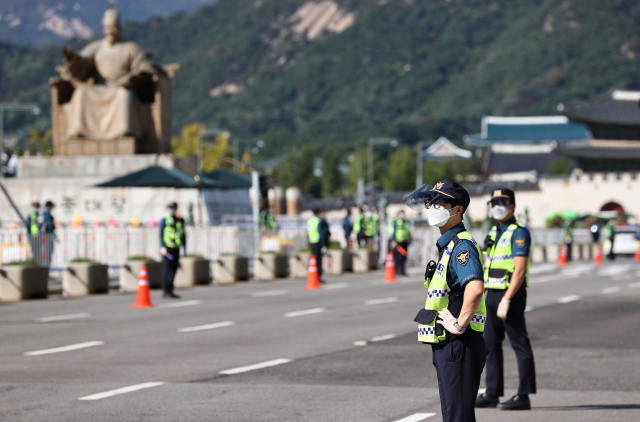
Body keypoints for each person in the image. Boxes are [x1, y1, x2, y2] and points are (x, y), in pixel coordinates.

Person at [407, 180, 486, 422]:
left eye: (441, 201)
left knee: (457, 416)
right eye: (432, 201)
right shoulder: (449, 245)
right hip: (449, 343)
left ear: (458, 209)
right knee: (456, 414)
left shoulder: (462, 246)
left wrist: (460, 324)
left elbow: (475, 288)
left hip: (458, 342)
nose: (433, 206)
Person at [476, 188, 536, 411]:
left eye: (502, 202)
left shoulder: (518, 233)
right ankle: (492, 392)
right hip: (491, 293)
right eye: (493, 202)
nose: (497, 206)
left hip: (509, 294)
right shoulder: (494, 232)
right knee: (490, 346)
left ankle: (524, 395)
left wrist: (507, 299)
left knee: (519, 344)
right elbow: (487, 263)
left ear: (512, 206)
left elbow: (520, 271)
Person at [159, 202, 185, 299]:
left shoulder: (179, 220)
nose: (171, 209)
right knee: (167, 269)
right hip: (167, 249)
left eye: (173, 207)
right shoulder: (165, 220)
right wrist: (162, 246)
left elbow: (182, 234)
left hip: (176, 249)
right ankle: (166, 291)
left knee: (174, 269)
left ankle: (170, 290)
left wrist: (184, 248)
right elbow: (161, 233)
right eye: (169, 207)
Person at [307, 208, 325, 283]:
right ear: (318, 213)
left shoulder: (309, 221)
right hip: (317, 242)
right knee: (318, 261)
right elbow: (320, 233)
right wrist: (323, 244)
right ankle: (318, 277)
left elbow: (308, 233)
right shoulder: (317, 221)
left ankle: (313, 276)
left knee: (313, 260)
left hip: (311, 242)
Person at [391, 210, 411, 275]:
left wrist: (410, 239)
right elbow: (394, 231)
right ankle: (396, 271)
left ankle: (402, 271)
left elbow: (408, 231)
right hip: (398, 241)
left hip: (405, 241)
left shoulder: (406, 221)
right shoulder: (396, 221)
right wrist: (394, 240)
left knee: (404, 256)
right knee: (397, 257)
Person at [42, 201, 56, 268]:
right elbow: (49, 225)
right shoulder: (47, 214)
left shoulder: (44, 213)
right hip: (47, 236)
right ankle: (46, 268)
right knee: (48, 252)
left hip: (45, 235)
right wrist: (53, 235)